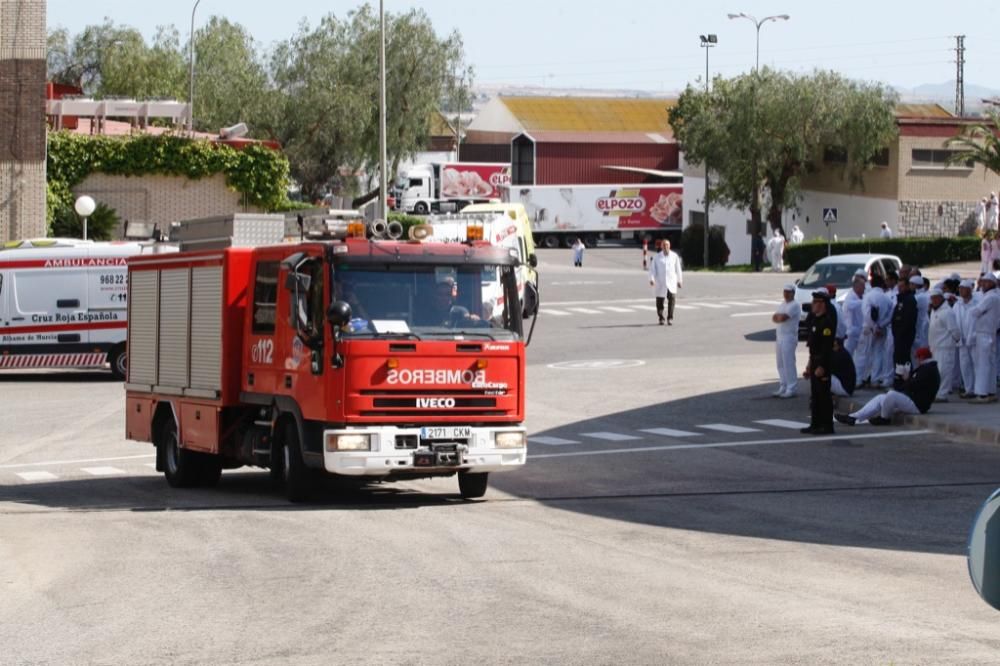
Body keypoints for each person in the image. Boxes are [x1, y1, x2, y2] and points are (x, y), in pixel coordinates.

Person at [836, 347, 941, 426]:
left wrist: (906, 379)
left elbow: (914, 385)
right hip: (914, 399)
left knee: (891, 395)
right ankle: (853, 417)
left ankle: (884, 418)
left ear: (922, 358)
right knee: (881, 397)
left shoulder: (928, 370)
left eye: (917, 358)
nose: (917, 361)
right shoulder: (927, 368)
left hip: (918, 405)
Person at [801, 291, 837, 435]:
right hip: (815, 360)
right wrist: (810, 365)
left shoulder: (826, 322)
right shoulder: (814, 320)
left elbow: (826, 347)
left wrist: (822, 366)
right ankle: (815, 424)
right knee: (815, 395)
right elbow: (813, 347)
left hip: (824, 362)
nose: (813, 305)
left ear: (822, 304)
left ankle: (827, 425)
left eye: (816, 302)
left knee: (824, 395)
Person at [968, 274, 1000, 403]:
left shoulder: (990, 297)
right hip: (990, 333)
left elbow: (975, 312)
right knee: (990, 364)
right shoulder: (994, 296)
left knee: (982, 364)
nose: (983, 284)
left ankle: (981, 393)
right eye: (983, 282)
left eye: (986, 282)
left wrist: (973, 309)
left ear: (992, 283)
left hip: (983, 333)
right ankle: (990, 391)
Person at [928, 288, 960, 401]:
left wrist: (954, 341)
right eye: (932, 298)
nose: (934, 300)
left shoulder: (947, 312)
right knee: (937, 372)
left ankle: (942, 394)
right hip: (935, 346)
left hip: (945, 347)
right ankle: (937, 393)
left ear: (941, 298)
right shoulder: (934, 310)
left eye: (936, 298)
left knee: (945, 370)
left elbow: (954, 330)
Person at [772, 285, 801, 398]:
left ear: (793, 293)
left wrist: (779, 317)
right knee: (780, 363)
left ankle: (791, 387)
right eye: (784, 292)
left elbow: (783, 318)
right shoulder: (783, 304)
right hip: (780, 336)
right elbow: (774, 318)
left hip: (789, 337)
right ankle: (783, 385)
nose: (786, 294)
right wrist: (778, 317)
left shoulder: (794, 305)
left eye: (788, 292)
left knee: (788, 362)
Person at [649, 239, 683, 326]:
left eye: (667, 245)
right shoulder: (656, 257)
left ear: (669, 246)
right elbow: (652, 270)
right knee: (659, 302)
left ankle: (670, 318)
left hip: (671, 282)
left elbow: (678, 269)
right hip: (660, 282)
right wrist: (652, 279)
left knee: (672, 299)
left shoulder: (674, 256)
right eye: (664, 245)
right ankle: (661, 318)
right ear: (661, 247)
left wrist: (679, 280)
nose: (665, 247)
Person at [955, 279, 978, 398]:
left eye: (964, 288)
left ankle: (977, 389)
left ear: (970, 290)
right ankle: (969, 389)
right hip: (961, 340)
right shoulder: (957, 304)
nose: (961, 290)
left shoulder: (977, 303)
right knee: (965, 365)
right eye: (960, 288)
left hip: (974, 340)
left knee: (976, 364)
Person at [892, 274, 918, 373]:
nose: (899, 289)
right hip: (898, 335)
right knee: (898, 358)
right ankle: (900, 379)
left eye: (902, 286)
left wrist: (901, 333)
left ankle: (905, 380)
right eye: (898, 286)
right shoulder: (901, 299)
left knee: (903, 359)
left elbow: (908, 320)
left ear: (907, 286)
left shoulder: (910, 300)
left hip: (905, 336)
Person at [842, 271, 867, 356]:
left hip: (859, 332)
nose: (864, 289)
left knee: (860, 357)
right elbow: (849, 305)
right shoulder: (850, 296)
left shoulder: (861, 296)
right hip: (851, 333)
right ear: (857, 287)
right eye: (863, 286)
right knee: (848, 355)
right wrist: (864, 302)